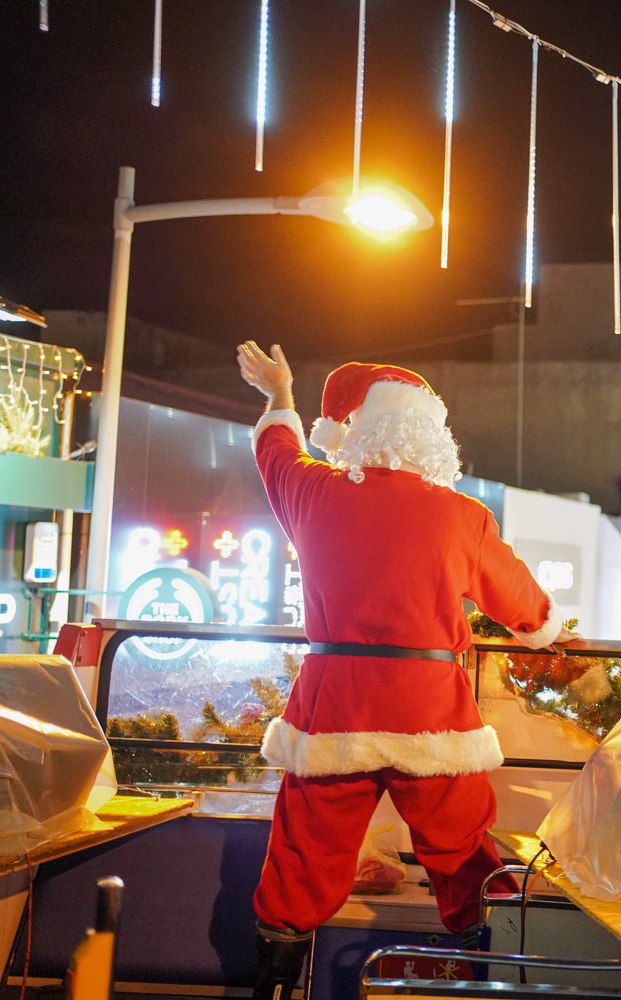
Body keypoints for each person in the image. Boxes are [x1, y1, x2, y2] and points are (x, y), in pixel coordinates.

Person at [237, 344, 576, 1000]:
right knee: (464, 857)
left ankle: (273, 987)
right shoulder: (463, 516)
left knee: (301, 860)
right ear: (430, 437)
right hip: (432, 715)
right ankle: (497, 974)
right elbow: (528, 614)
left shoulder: (314, 492)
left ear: (351, 433)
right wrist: (551, 635)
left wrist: (279, 393)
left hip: (333, 710)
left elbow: (275, 452)